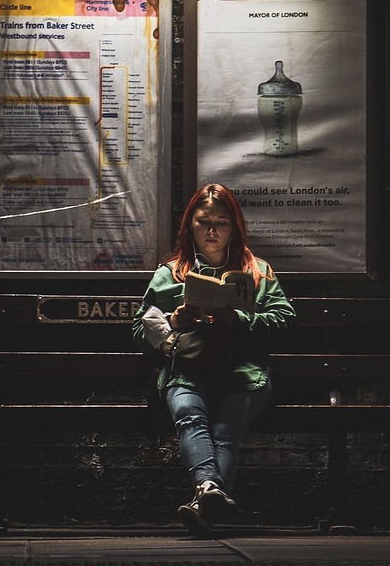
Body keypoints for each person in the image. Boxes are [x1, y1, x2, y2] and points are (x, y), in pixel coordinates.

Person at [131, 182, 296, 536]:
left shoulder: (257, 272)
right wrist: (174, 321)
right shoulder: (170, 273)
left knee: (224, 432)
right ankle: (209, 493)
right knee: (189, 415)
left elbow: (284, 320)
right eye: (203, 221)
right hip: (186, 369)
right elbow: (138, 332)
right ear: (189, 225)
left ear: (234, 226)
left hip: (243, 374)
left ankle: (203, 496)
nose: (211, 231)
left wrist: (239, 319)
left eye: (220, 222)